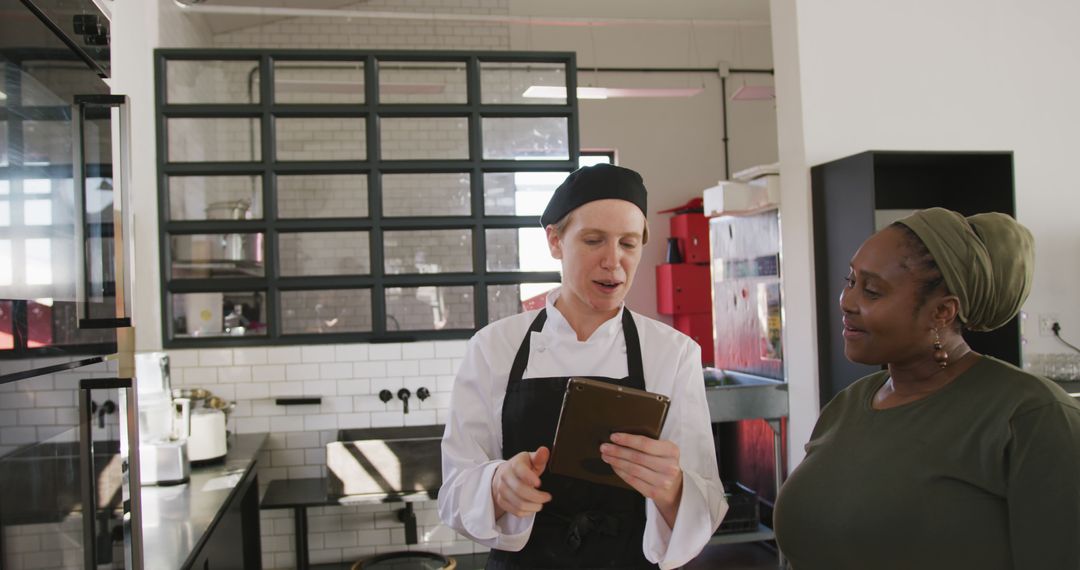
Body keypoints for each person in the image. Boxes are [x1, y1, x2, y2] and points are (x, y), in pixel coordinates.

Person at [438, 164, 727, 570]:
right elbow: (452, 491)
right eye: (594, 240)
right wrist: (497, 485)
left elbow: (708, 499)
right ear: (555, 241)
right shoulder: (493, 348)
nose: (614, 262)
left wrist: (673, 488)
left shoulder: (673, 353)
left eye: (629, 244)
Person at [774, 207, 1080, 569]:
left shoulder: (1031, 417)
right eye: (850, 280)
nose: (847, 301)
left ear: (942, 313)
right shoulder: (849, 406)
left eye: (872, 291)